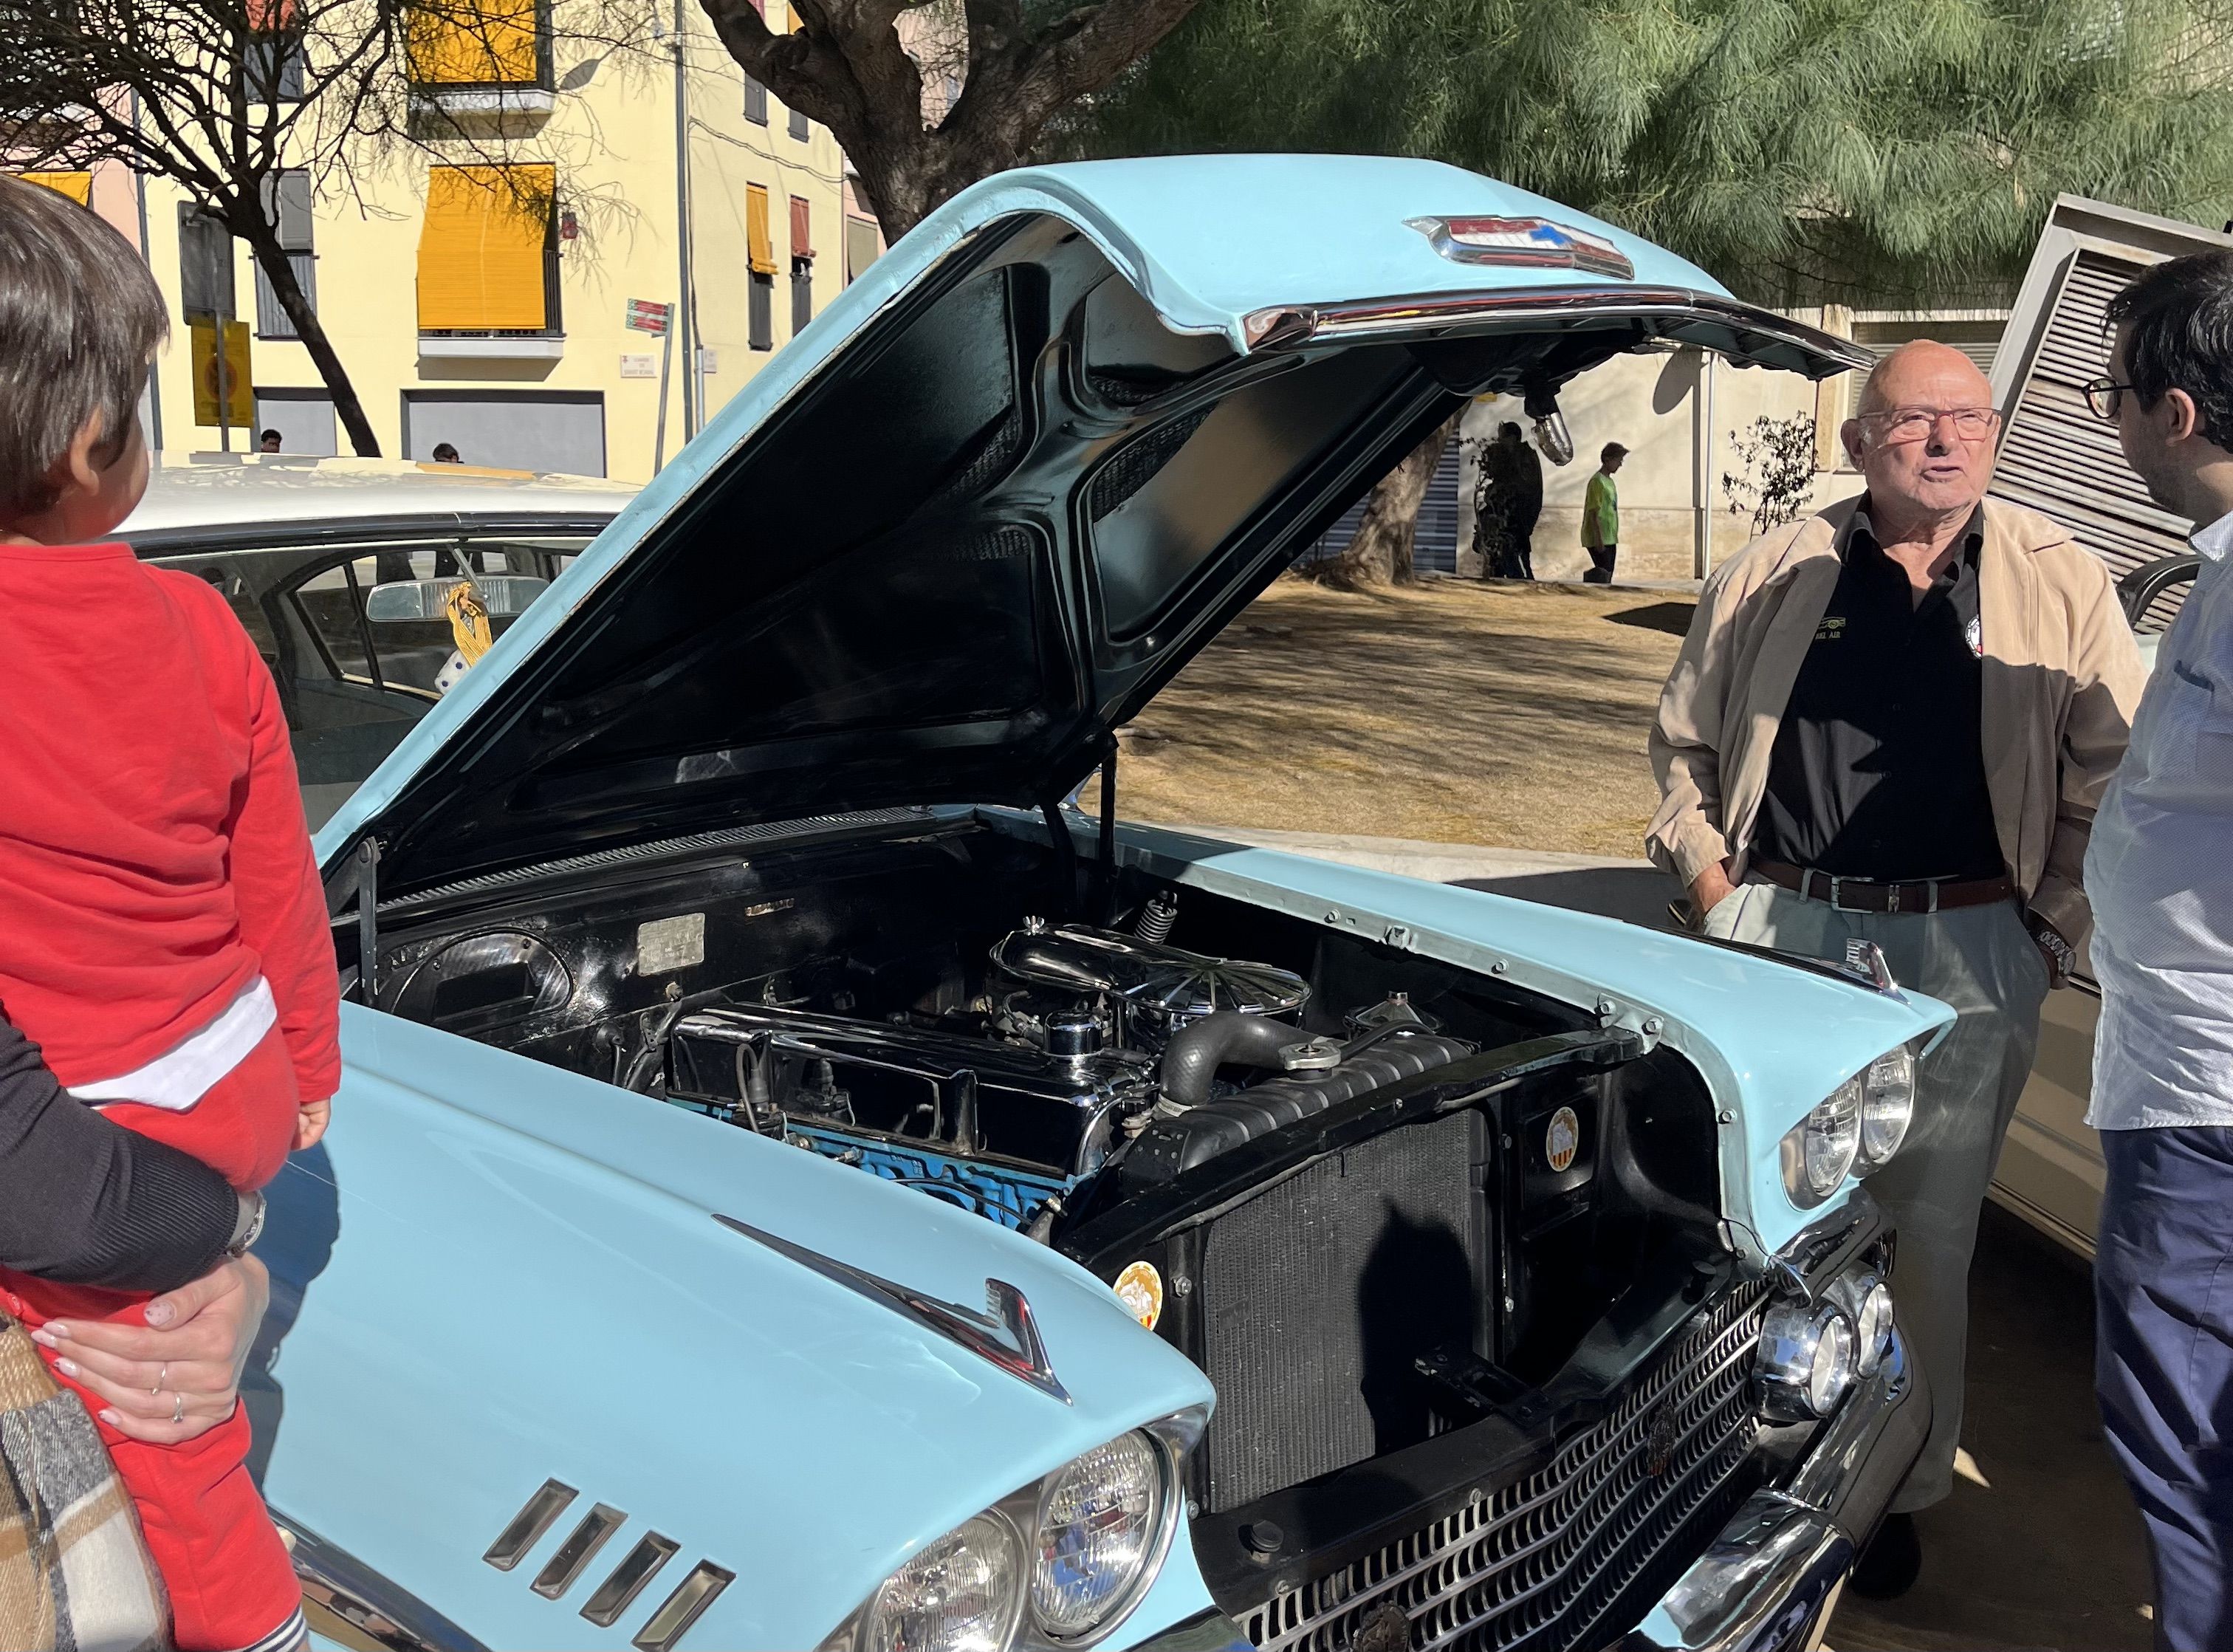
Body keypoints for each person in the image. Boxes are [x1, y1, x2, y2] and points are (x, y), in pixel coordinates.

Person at [1647, 339, 2144, 1597]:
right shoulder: (1771, 571)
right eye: (1915, 418)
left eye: (1968, 416)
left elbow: (2115, 772)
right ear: (1858, 439)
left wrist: (2047, 929)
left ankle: (1894, 1490)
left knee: (1923, 1238)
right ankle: (1750, 1465)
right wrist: (1714, 895)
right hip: (1783, 940)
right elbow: (1681, 745)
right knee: (1764, 1218)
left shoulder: (2055, 578)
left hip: (1969, 946)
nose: (1945, 437)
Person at [0, 174, 337, 1652]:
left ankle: (249, 1623)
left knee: (166, 1437)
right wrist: (309, 1071)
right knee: (192, 1407)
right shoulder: (203, 630)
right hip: (232, 1083)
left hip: (97, 1134)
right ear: (94, 448)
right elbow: (278, 878)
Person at [2084, 249, 2233, 1652]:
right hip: (2180, 1081)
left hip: (2209, 1109)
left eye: (2109, 395)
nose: (2104, 422)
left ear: (2173, 415)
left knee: (2180, 1430)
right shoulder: (2212, 577)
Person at [1477, 422, 1543, 578]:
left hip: (1516, 513)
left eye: (1503, 437)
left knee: (1511, 551)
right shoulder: (1520, 454)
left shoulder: (1521, 456)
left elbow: (1524, 485)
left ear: (1512, 438)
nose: (1499, 441)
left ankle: (1519, 577)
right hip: (1512, 514)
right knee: (1507, 553)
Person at [1582, 442, 1625, 583]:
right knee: (1603, 572)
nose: (1620, 464)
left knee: (1608, 572)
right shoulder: (1597, 482)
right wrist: (1598, 539)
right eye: (1618, 460)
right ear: (1607, 460)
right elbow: (1594, 512)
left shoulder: (1609, 482)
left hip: (1609, 535)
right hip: (1600, 537)